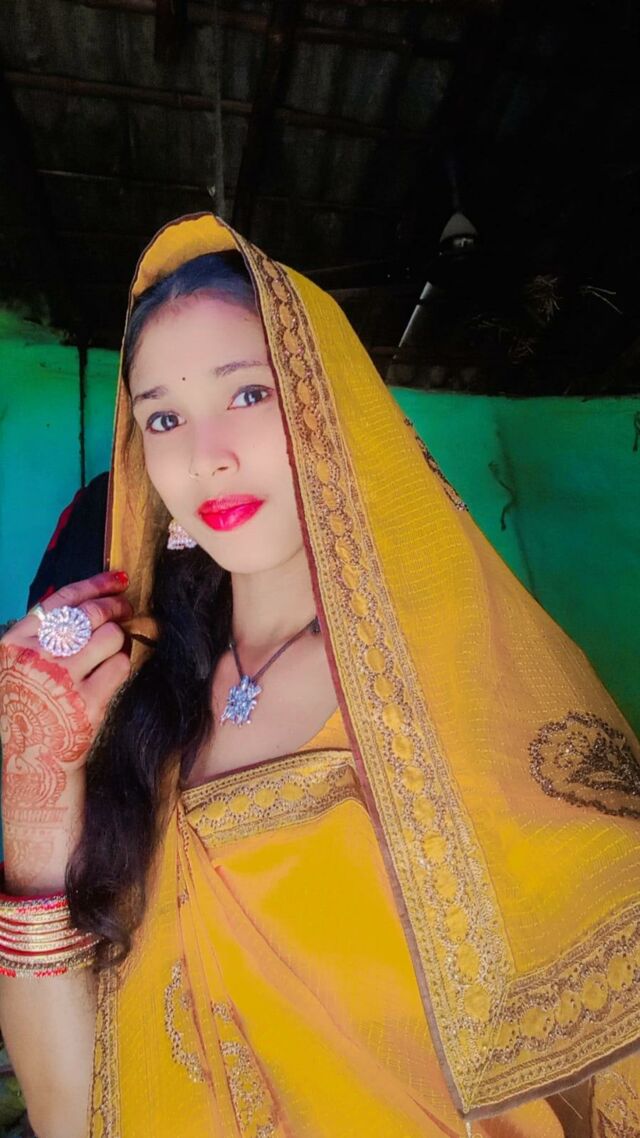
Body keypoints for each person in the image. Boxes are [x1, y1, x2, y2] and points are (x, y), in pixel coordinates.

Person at [0, 213, 639, 1138]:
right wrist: (33, 793)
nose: (204, 455)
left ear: (333, 405)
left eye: (249, 393)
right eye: (163, 417)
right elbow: (69, 1113)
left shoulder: (462, 679)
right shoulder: (136, 703)